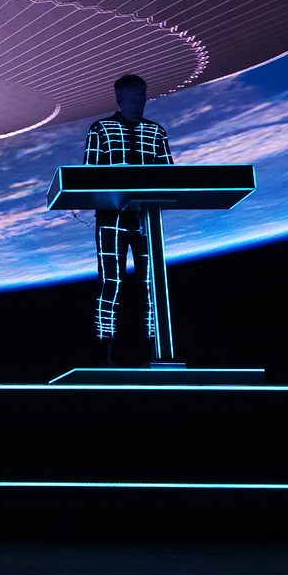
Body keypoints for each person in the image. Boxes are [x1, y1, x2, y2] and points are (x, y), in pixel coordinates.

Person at [84, 74, 174, 365]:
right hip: (112, 218)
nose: (139, 104)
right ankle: (106, 353)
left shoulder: (156, 132)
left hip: (147, 218)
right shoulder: (101, 130)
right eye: (134, 99)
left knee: (150, 283)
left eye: (142, 98)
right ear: (119, 99)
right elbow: (87, 176)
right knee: (111, 281)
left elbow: (171, 176)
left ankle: (154, 350)